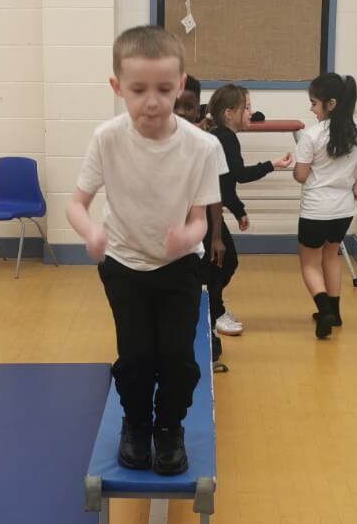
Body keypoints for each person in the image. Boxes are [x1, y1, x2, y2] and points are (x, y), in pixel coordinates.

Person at [66, 26, 220, 476]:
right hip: (123, 264)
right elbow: (76, 204)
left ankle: (169, 427)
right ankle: (136, 424)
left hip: (179, 268)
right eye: (138, 90)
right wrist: (91, 233)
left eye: (164, 90)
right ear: (117, 87)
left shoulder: (202, 146)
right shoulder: (107, 138)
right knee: (136, 357)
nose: (152, 102)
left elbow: (200, 219)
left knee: (176, 358)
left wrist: (186, 238)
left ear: (181, 85)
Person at [293, 72, 357, 338]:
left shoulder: (312, 135)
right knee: (331, 256)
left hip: (315, 210)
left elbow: (301, 176)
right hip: (343, 210)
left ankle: (324, 311)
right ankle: (335, 312)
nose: (311, 108)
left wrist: (293, 166)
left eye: (314, 103)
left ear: (330, 104)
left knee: (310, 263)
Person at [205, 84, 292, 337]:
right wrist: (272, 164)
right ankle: (213, 312)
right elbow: (240, 175)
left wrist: (238, 210)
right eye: (247, 107)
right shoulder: (226, 138)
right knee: (223, 262)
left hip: (211, 208)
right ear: (229, 113)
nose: (251, 113)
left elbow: (225, 183)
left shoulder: (221, 135)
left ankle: (213, 308)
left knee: (222, 263)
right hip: (206, 212)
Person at [175, 89, 228, 373]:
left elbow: (214, 195)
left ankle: (209, 340)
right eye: (177, 105)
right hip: (158, 238)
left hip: (197, 233)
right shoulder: (149, 141)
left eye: (189, 107)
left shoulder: (208, 144)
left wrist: (216, 236)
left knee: (201, 288)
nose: (182, 112)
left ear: (198, 109)